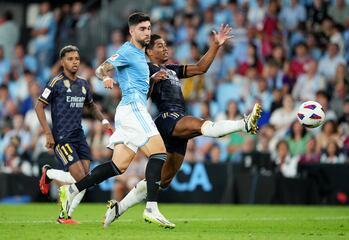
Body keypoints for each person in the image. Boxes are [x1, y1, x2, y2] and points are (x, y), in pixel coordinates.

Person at [103, 27, 263, 227]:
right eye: (159, 46)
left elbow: (200, 68)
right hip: (166, 118)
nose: (165, 49)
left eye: (166, 45)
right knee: (201, 124)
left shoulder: (172, 69)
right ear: (149, 52)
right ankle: (243, 124)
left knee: (164, 180)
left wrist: (215, 45)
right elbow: (139, 98)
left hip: (177, 120)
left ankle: (118, 208)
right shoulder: (145, 69)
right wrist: (151, 81)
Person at [59, 12, 174, 228]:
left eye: (149, 28)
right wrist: (107, 77)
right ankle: (151, 208)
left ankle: (72, 189)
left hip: (131, 110)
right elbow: (101, 69)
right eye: (142, 28)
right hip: (133, 109)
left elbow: (134, 81)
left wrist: (151, 79)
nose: (147, 32)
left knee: (117, 166)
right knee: (159, 153)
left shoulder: (140, 55)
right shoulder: (128, 51)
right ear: (131, 31)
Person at [35, 45, 113, 224]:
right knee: (81, 178)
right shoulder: (56, 83)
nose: (75, 62)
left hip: (79, 136)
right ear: (62, 62)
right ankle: (49, 173)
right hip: (62, 138)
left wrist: (104, 121)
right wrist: (48, 133)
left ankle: (65, 216)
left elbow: (91, 106)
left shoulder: (84, 83)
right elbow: (39, 106)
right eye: (70, 59)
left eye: (76, 58)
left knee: (87, 180)